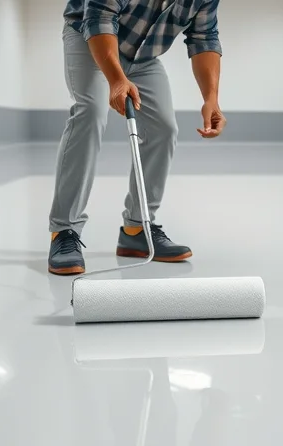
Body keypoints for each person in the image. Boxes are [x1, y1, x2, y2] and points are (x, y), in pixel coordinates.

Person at [49, 0, 226, 275]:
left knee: (164, 128)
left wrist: (211, 99)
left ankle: (137, 228)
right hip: (89, 37)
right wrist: (116, 79)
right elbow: (99, 17)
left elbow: (204, 37)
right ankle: (63, 231)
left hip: (142, 56)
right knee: (91, 113)